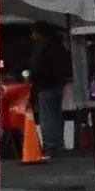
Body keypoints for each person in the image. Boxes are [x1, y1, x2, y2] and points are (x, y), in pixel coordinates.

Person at [28, 30, 71, 158]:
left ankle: (50, 147)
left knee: (47, 118)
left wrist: (32, 76)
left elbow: (36, 66)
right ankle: (58, 145)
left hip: (45, 86)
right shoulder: (59, 47)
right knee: (57, 116)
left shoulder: (42, 47)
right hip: (59, 86)